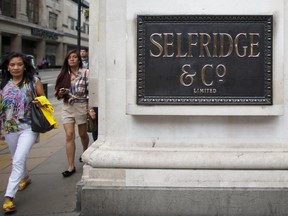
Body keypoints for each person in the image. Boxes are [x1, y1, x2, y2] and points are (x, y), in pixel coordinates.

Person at [0, 51, 45, 213]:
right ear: (7, 67)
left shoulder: (34, 81)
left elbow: (43, 99)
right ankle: (25, 177)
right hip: (9, 127)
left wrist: (39, 102)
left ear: (25, 66)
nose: (16, 67)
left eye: (19, 64)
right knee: (16, 157)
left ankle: (8, 198)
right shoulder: (3, 84)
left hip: (29, 127)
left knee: (18, 159)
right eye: (12, 65)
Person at [54, 49, 96, 177]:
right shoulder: (63, 75)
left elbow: (90, 93)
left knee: (83, 133)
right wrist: (61, 93)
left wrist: (90, 109)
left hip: (81, 105)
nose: (71, 59)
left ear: (79, 60)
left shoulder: (85, 73)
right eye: (69, 58)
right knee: (69, 135)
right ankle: (70, 166)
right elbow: (57, 96)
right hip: (67, 106)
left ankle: (84, 152)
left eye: (74, 57)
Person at [80, 48, 98, 141]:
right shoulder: (85, 67)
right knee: (94, 121)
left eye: (84, 51)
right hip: (92, 95)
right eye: (81, 51)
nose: (82, 53)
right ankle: (95, 141)